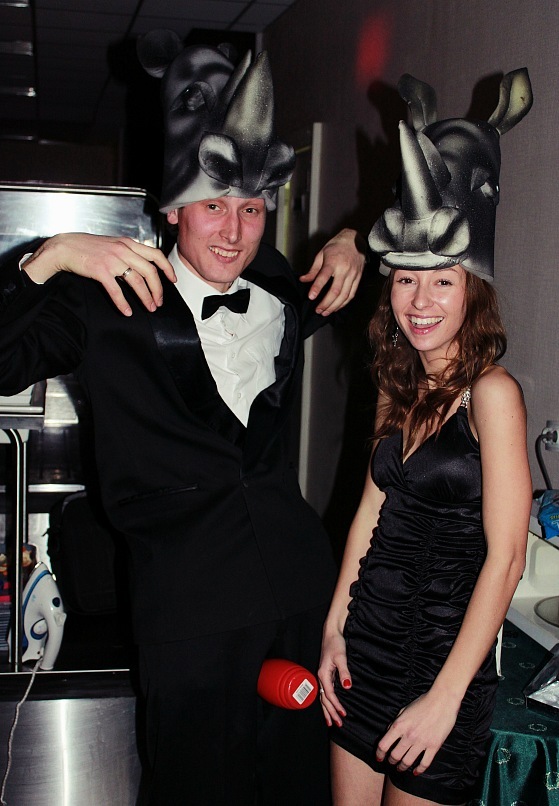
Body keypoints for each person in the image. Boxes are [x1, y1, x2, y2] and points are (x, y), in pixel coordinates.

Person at [0, 35, 367, 805]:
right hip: (187, 609)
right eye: (212, 207)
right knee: (193, 788)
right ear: (171, 209)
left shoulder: (279, 286)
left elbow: (421, 269)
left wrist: (354, 238)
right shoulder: (100, 297)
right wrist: (51, 254)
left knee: (299, 786)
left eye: (250, 209)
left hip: (299, 590)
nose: (232, 232)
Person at [318, 69, 534, 806]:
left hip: (443, 665)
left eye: (443, 280)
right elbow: (370, 513)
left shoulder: (493, 394)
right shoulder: (397, 380)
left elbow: (507, 558)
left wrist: (446, 697)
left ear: (473, 288)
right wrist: (334, 628)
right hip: (365, 649)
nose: (420, 300)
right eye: (407, 278)